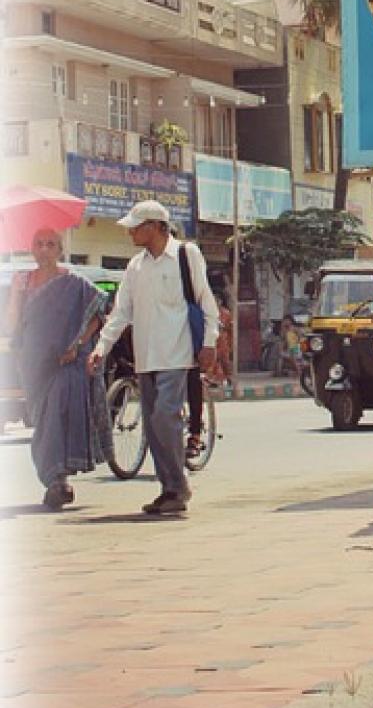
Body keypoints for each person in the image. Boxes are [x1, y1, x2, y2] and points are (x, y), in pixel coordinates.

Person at [87, 201, 219, 516]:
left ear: (156, 227)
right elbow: (121, 312)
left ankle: (179, 486)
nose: (130, 232)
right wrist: (101, 347)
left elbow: (206, 301)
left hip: (178, 354)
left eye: (136, 226)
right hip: (146, 357)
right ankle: (169, 489)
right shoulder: (136, 267)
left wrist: (210, 342)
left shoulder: (186, 255)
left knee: (164, 417)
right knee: (153, 425)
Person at [6, 229, 109, 509]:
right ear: (32, 248)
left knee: (57, 415)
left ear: (60, 250)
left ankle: (57, 480)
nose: (44, 249)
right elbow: (14, 323)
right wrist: (16, 295)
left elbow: (98, 314)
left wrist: (77, 345)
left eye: (50, 244)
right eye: (39, 244)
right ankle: (56, 478)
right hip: (33, 361)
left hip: (65, 360)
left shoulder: (73, 282)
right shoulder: (22, 281)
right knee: (42, 420)